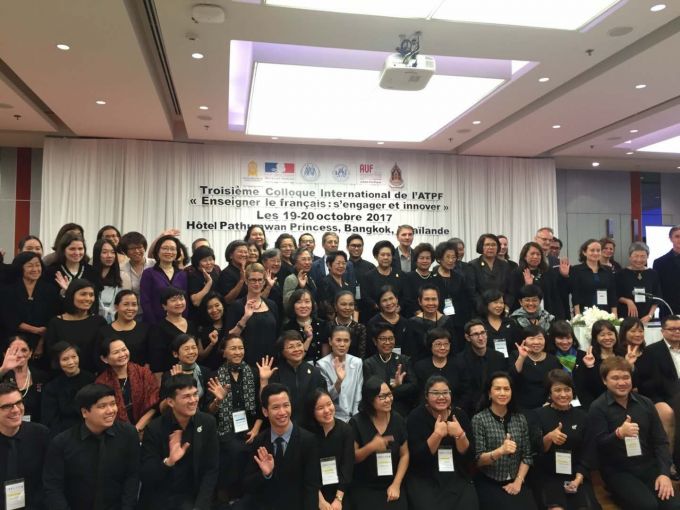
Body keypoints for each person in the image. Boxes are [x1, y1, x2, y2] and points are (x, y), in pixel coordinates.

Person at [586, 357, 680, 510]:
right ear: (604, 381)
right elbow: (597, 446)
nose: (622, 382)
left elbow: (660, 441)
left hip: (648, 466)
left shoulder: (646, 403)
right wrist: (618, 434)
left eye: (626, 377)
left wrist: (664, 474)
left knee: (673, 506)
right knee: (647, 506)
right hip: (618, 471)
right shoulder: (597, 407)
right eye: (615, 378)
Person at [43, 383, 140, 510]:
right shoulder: (62, 443)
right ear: (85, 412)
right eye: (102, 406)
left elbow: (132, 477)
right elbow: (53, 487)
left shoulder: (128, 434)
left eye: (113, 404)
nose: (111, 410)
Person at [138, 375, 219, 510]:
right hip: (162, 495)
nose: (193, 400)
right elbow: (146, 475)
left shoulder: (207, 423)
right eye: (186, 396)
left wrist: (200, 507)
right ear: (170, 402)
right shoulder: (154, 428)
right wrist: (168, 462)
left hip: (193, 495)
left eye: (195, 394)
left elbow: (211, 469)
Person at [243, 382, 321, 510]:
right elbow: (248, 484)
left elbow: (311, 487)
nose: (282, 412)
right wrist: (265, 475)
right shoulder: (259, 441)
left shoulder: (308, 440)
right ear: (265, 411)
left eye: (286, 405)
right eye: (275, 407)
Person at [406, 375, 478, 510]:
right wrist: (437, 435)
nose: (441, 397)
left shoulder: (460, 415)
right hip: (425, 476)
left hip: (456, 474)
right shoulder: (415, 417)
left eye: (445, 392)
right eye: (435, 393)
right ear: (426, 396)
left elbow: (469, 457)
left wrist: (460, 435)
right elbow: (417, 461)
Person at [206, 334, 263, 503]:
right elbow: (208, 412)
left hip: (251, 427)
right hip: (224, 428)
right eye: (233, 348)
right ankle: (228, 497)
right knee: (233, 450)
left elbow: (263, 405)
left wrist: (256, 429)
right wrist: (218, 400)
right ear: (224, 352)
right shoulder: (215, 375)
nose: (238, 352)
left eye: (240, 348)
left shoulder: (254, 373)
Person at [533, 370, 600, 510]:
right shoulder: (538, 415)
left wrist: (578, 478)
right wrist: (549, 437)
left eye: (567, 389)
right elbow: (535, 450)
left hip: (576, 473)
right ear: (549, 393)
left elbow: (589, 452)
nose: (563, 394)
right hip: (549, 475)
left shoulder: (583, 417)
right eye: (557, 390)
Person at [472, 371, 536, 510]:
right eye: (497, 389)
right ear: (489, 393)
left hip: (517, 480)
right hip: (489, 481)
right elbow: (478, 460)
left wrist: (518, 481)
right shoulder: (479, 419)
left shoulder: (520, 418)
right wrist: (500, 451)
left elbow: (527, 456)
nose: (503, 393)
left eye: (506, 389)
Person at [349, 377, 409, 510]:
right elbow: (352, 458)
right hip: (365, 485)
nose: (388, 400)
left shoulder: (398, 419)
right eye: (382, 397)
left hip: (391, 482)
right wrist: (371, 447)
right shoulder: (357, 422)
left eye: (389, 394)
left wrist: (396, 484)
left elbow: (405, 454)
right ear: (370, 399)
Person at [0, 382, 50, 510]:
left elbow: (50, 479)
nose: (16, 410)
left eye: (19, 403)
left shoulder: (40, 434)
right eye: (7, 406)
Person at [97, 338, 159, 437]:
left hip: (147, 429)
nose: (122, 354)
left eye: (124, 349)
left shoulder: (144, 373)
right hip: (117, 434)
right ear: (104, 359)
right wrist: (128, 434)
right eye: (116, 352)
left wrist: (136, 430)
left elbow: (154, 404)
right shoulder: (101, 382)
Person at [636, 315, 680, 455]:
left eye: (679, 329)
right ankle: (669, 460)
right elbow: (646, 383)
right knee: (671, 411)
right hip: (662, 396)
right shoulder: (652, 351)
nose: (677, 332)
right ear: (662, 331)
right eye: (672, 329)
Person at [1, 251, 59, 356]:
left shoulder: (50, 290)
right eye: (30, 266)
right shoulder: (8, 290)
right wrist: (35, 330)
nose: (35, 269)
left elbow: (52, 317)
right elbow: (8, 318)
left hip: (43, 341)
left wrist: (41, 342)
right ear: (20, 268)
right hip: (13, 339)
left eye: (38, 265)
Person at [262, 331, 326, 423]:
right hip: (284, 424)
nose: (296, 349)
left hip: (312, 426)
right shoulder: (276, 373)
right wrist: (264, 380)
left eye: (299, 345)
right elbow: (265, 402)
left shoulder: (314, 372)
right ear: (282, 351)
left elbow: (323, 398)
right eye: (291, 347)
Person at [44, 278, 107, 374]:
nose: (88, 298)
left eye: (91, 295)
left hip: (93, 377)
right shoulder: (55, 323)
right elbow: (51, 355)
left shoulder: (99, 322)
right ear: (71, 295)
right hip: (64, 376)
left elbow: (103, 352)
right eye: (83, 294)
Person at [306, 388, 354, 510]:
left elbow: (347, 466)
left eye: (329, 404)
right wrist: (320, 500)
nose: (327, 410)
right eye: (320, 408)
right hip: (314, 490)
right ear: (312, 411)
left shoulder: (346, 430)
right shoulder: (307, 433)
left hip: (340, 490)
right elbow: (307, 470)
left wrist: (338, 499)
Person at [225, 262, 279, 365]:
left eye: (260, 280)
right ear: (246, 281)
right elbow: (230, 337)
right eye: (253, 280)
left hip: (270, 361)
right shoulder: (237, 306)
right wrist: (245, 317)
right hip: (246, 362)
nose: (257, 283)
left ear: (264, 281)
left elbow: (277, 333)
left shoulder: (272, 305)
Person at [363, 322, 418, 420]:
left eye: (391, 338)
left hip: (402, 411)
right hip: (378, 412)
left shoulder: (404, 360)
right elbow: (370, 391)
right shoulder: (368, 364)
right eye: (383, 339)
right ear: (375, 341)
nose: (388, 342)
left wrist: (394, 389)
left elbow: (413, 386)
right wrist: (395, 387)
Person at [41, 342, 95, 435]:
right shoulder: (52, 387)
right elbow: (50, 419)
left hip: (91, 430)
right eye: (65, 359)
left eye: (74, 357)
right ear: (58, 362)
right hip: (64, 434)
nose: (71, 362)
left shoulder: (92, 380)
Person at [455, 320, 507, 417]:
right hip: (469, 409)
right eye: (476, 334)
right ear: (468, 337)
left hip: (495, 406)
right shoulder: (459, 360)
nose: (481, 338)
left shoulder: (498, 357)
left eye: (483, 333)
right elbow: (462, 389)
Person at [508, 241, 567, 319]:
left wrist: (564, 276)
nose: (535, 257)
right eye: (532, 254)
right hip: (524, 317)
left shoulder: (548, 272)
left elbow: (557, 294)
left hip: (547, 315)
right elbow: (513, 296)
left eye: (538, 254)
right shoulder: (517, 273)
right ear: (525, 256)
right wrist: (527, 287)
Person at [510, 325, 562, 410]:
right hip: (521, 407)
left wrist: (549, 401)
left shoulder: (553, 360)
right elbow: (512, 377)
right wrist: (521, 357)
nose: (536, 342)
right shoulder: (516, 355)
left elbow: (557, 383)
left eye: (540, 338)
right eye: (532, 338)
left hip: (547, 406)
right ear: (524, 341)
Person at [148, 287, 199, 375]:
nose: (179, 303)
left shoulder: (191, 324)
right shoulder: (158, 329)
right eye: (173, 300)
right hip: (171, 376)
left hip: (194, 373)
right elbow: (156, 361)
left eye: (181, 299)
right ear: (164, 306)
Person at [317, 325, 363, 422]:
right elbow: (326, 398)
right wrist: (339, 381)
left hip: (355, 417)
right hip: (333, 418)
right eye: (338, 340)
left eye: (346, 341)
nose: (342, 344)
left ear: (350, 342)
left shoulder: (357, 362)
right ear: (330, 341)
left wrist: (356, 418)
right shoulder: (322, 365)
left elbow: (358, 392)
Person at [140, 235, 188, 325]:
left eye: (173, 249)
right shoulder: (149, 273)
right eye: (165, 248)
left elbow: (185, 300)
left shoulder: (182, 274)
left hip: (178, 324)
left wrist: (183, 322)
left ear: (177, 252)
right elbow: (145, 301)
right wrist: (154, 324)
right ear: (158, 251)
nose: (169, 252)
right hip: (154, 323)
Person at [577, 319, 625, 408]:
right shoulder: (588, 357)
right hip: (598, 406)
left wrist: (631, 365)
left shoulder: (623, 354)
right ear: (596, 338)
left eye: (610, 334)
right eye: (602, 335)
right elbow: (583, 389)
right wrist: (590, 366)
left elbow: (632, 382)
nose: (607, 338)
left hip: (622, 403)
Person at [98, 289, 150, 366]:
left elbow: (150, 358)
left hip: (140, 372)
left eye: (134, 304)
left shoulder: (146, 329)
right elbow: (100, 360)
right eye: (126, 304)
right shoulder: (104, 332)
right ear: (116, 307)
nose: (130, 308)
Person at [0, 338, 46, 424]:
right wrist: (3, 369)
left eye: (24, 350)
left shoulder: (41, 377)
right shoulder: (2, 374)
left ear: (30, 353)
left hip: (35, 425)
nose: (20, 354)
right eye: (14, 351)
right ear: (5, 354)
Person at [569, 238, 618, 315]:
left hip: (605, 312)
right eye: (592, 250)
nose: (595, 253)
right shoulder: (576, 270)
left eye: (598, 250)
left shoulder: (608, 270)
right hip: (585, 312)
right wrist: (577, 314)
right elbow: (575, 294)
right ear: (584, 252)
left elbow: (612, 293)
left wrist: (614, 314)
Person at [161, 334, 210, 409]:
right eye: (186, 349)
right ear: (175, 354)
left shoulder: (205, 372)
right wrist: (175, 384)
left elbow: (208, 407)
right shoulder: (169, 375)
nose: (191, 352)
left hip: (201, 415)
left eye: (194, 347)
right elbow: (162, 409)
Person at [281, 288, 330, 364]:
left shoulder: (323, 324)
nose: (303, 306)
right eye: (299, 302)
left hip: (320, 367)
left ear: (312, 304)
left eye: (307, 302)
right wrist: (308, 339)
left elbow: (325, 358)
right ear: (292, 305)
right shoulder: (288, 328)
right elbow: (294, 359)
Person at [617, 241, 661, 321]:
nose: (639, 259)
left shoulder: (653, 274)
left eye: (643, 256)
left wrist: (650, 316)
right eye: (636, 256)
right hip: (626, 318)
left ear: (647, 257)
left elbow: (657, 298)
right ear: (629, 257)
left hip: (647, 318)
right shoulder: (621, 274)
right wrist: (628, 301)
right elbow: (616, 295)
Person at [362, 241, 404, 322]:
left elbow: (405, 296)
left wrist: (399, 307)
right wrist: (381, 308)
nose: (386, 257)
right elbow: (366, 297)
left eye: (388, 255)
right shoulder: (368, 277)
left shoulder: (401, 275)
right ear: (376, 256)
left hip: (398, 317)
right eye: (382, 255)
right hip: (376, 318)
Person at [413, 327, 460, 398]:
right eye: (438, 344)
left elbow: (465, 391)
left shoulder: (459, 364)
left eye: (446, 344)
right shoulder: (420, 366)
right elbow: (420, 393)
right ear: (430, 346)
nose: (443, 348)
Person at [92, 238, 131, 323]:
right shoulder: (89, 275)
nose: (109, 255)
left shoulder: (123, 276)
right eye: (104, 252)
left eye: (113, 252)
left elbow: (127, 302)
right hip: (93, 321)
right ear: (97, 254)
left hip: (116, 323)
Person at [469, 233, 511, 310]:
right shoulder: (473, 265)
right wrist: (485, 307)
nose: (491, 247)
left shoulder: (505, 265)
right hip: (481, 309)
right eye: (487, 245)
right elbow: (472, 292)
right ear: (481, 247)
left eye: (493, 245)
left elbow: (510, 290)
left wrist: (506, 305)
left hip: (501, 308)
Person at [365, 286, 410, 358]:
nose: (389, 303)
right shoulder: (373, 323)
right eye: (384, 300)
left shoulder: (406, 322)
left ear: (397, 299)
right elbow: (370, 350)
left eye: (391, 298)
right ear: (379, 304)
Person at [479, 289, 520, 359]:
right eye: (495, 302)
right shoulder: (479, 324)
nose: (499, 305)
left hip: (509, 362)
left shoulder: (510, 322)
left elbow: (516, 346)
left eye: (501, 303)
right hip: (486, 362)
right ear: (486, 304)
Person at [317, 250, 356, 320]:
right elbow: (326, 307)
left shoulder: (347, 282)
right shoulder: (324, 283)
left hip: (347, 319)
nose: (341, 266)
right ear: (329, 265)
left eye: (343, 263)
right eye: (338, 263)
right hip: (332, 321)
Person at [185, 245, 219, 322]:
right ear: (197, 262)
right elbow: (196, 302)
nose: (209, 263)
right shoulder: (193, 276)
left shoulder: (215, 272)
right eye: (204, 260)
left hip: (215, 314)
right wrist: (209, 283)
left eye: (211, 259)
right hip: (199, 317)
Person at [401, 242, 435, 318]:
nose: (425, 261)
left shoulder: (435, 277)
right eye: (421, 258)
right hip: (414, 318)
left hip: (434, 317)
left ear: (431, 260)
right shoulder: (408, 277)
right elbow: (408, 300)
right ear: (416, 259)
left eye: (428, 258)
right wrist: (422, 316)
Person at [653, 225, 680, 319]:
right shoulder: (659, 262)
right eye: (677, 236)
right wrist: (662, 306)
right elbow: (657, 288)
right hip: (668, 310)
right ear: (670, 238)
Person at [118, 231, 155, 296]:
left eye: (140, 247)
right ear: (125, 251)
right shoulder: (121, 269)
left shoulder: (154, 264)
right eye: (132, 248)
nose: (137, 251)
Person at [332, 290, 368, 358]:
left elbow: (361, 355)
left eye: (351, 304)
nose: (347, 308)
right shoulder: (328, 326)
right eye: (343, 304)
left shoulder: (360, 328)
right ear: (335, 306)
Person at [196, 291, 226, 370]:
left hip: (229, 369)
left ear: (223, 305)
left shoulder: (230, 323)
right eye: (209, 307)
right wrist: (212, 344)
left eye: (217, 305)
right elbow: (200, 357)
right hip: (209, 370)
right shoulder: (201, 328)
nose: (214, 310)